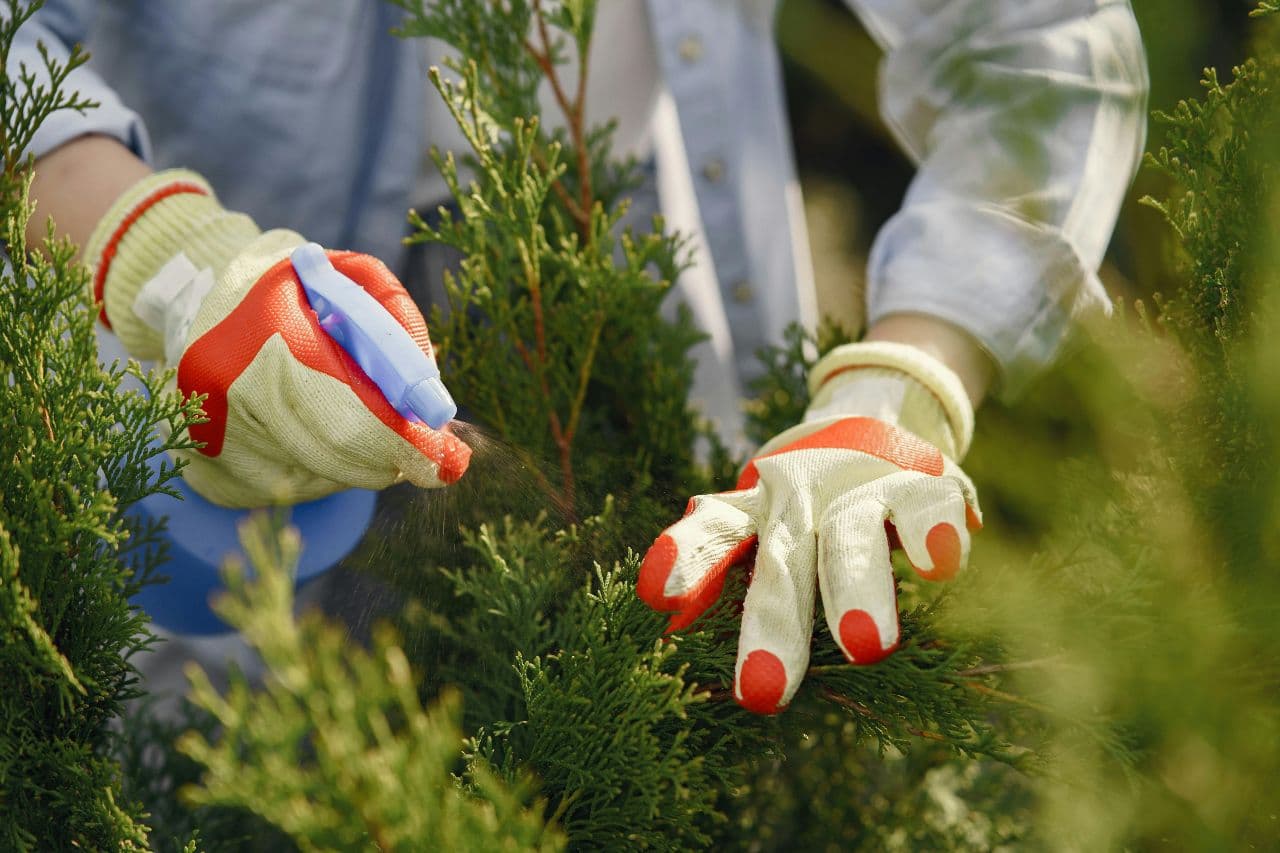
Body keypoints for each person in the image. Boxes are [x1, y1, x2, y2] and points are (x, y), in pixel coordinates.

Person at [13, 1, 1148, 714]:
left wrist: (898, 381)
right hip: (209, 343)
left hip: (641, 302)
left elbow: (1038, 45)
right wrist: (150, 251)